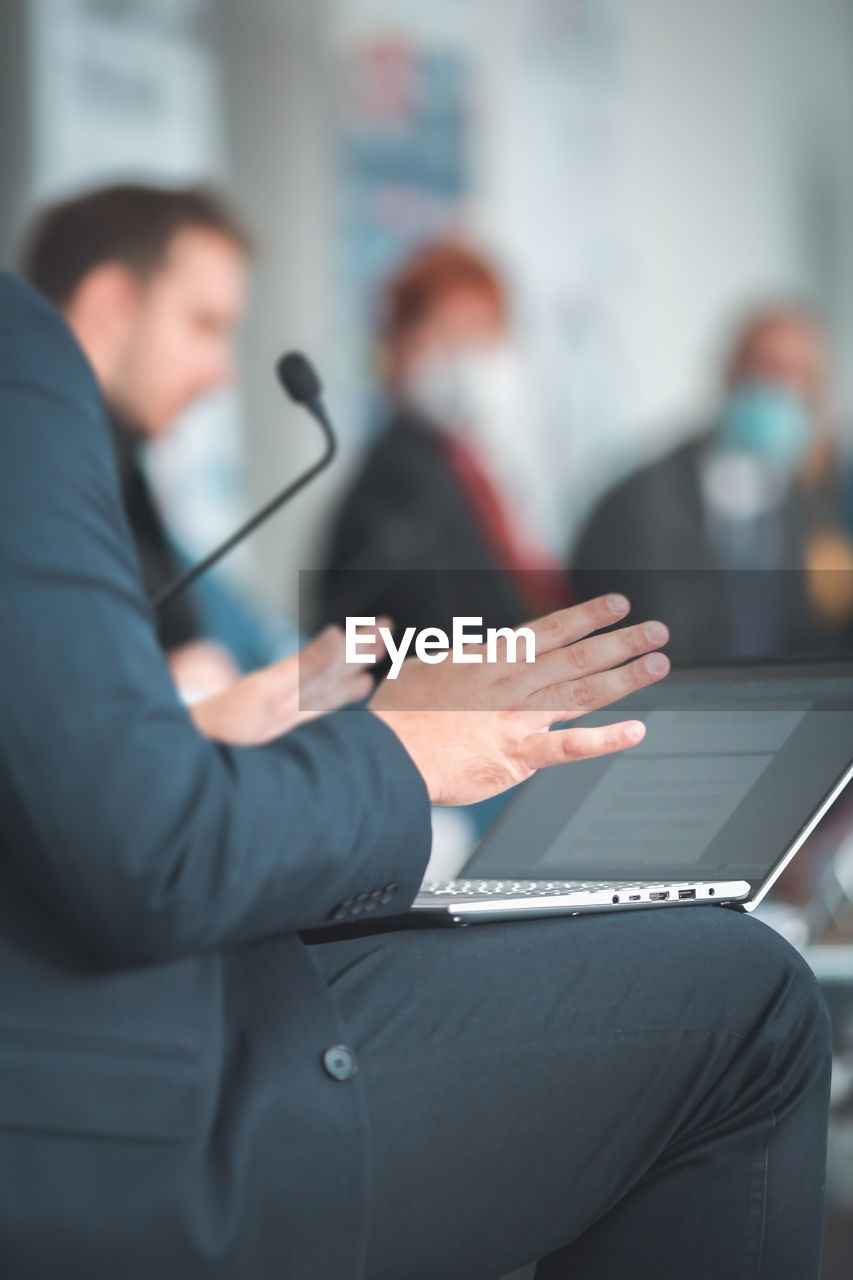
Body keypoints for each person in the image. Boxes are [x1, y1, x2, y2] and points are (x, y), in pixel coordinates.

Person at [0, 270, 833, 1280]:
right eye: (207, 321)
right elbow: (145, 854)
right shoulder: (24, 356)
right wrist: (399, 748)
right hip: (127, 1101)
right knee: (755, 999)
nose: (225, 365)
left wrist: (200, 736)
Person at [19, 182, 277, 698]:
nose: (222, 373)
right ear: (111, 305)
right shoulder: (31, 483)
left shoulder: (113, 466)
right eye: (204, 325)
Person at [318, 241, 570, 646]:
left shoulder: (471, 467)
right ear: (399, 348)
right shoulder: (395, 487)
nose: (467, 356)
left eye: (481, 333)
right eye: (447, 334)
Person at [571, 304, 850, 662]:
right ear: (731, 370)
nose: (783, 386)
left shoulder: (810, 509)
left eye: (801, 376)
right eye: (769, 366)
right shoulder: (644, 502)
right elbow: (649, 637)